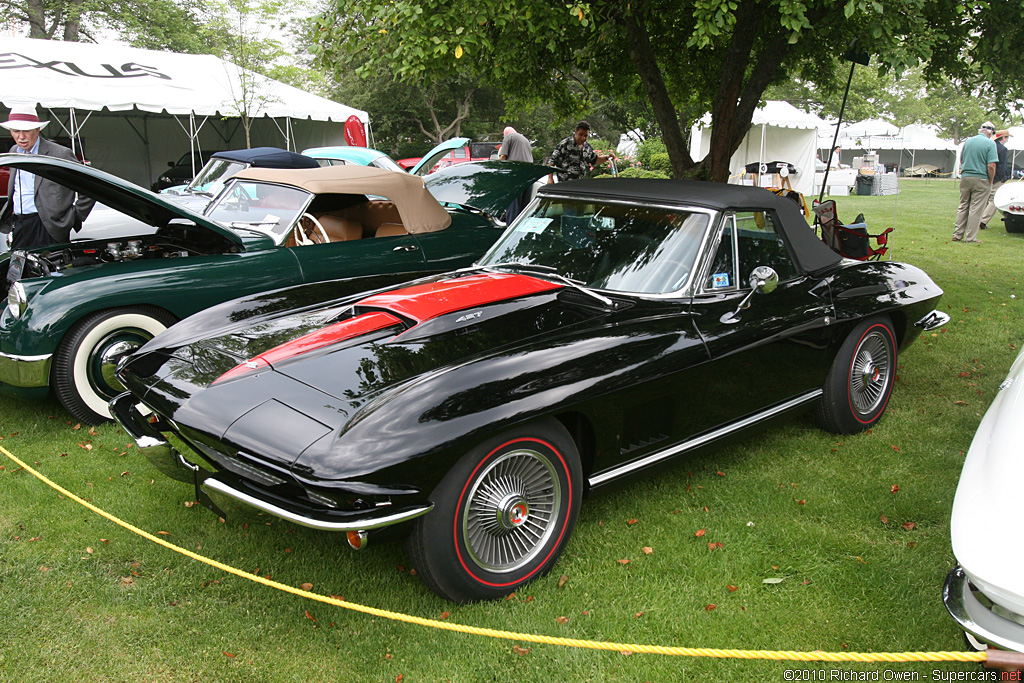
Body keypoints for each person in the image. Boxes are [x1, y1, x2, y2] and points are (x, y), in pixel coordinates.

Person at [0, 104, 95, 250]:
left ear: (37, 130)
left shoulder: (60, 153)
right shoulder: (14, 151)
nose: (21, 137)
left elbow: (89, 187)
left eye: (26, 131)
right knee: (19, 269)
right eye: (16, 131)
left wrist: (73, 217)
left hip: (48, 225)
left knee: (50, 269)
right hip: (20, 224)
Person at [952, 122, 998, 244]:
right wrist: (991, 180)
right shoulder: (990, 143)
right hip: (981, 178)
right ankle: (970, 237)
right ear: (991, 132)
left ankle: (957, 234)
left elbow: (962, 159)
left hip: (966, 177)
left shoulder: (968, 141)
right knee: (976, 209)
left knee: (963, 206)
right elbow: (991, 165)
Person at [498, 126, 535, 223]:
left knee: (512, 207)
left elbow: (503, 157)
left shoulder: (508, 137)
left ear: (505, 134)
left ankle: (510, 232)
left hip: (515, 176)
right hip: (529, 176)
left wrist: (498, 170)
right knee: (523, 209)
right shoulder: (526, 140)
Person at [980, 129, 1012, 230]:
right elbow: (1001, 166)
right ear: (1003, 137)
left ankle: (976, 219)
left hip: (984, 176)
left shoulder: (988, 146)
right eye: (1007, 137)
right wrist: (1003, 178)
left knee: (983, 199)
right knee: (993, 200)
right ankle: (983, 220)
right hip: (996, 178)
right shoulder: (1002, 149)